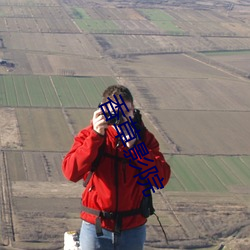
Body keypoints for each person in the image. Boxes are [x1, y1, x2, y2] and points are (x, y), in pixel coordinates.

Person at [62, 85, 171, 250]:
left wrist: (136, 147)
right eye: (114, 112)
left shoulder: (144, 138)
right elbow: (71, 172)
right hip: (97, 226)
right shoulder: (90, 135)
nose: (121, 117)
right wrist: (96, 136)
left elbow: (160, 179)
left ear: (133, 111)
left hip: (132, 227)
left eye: (125, 112)